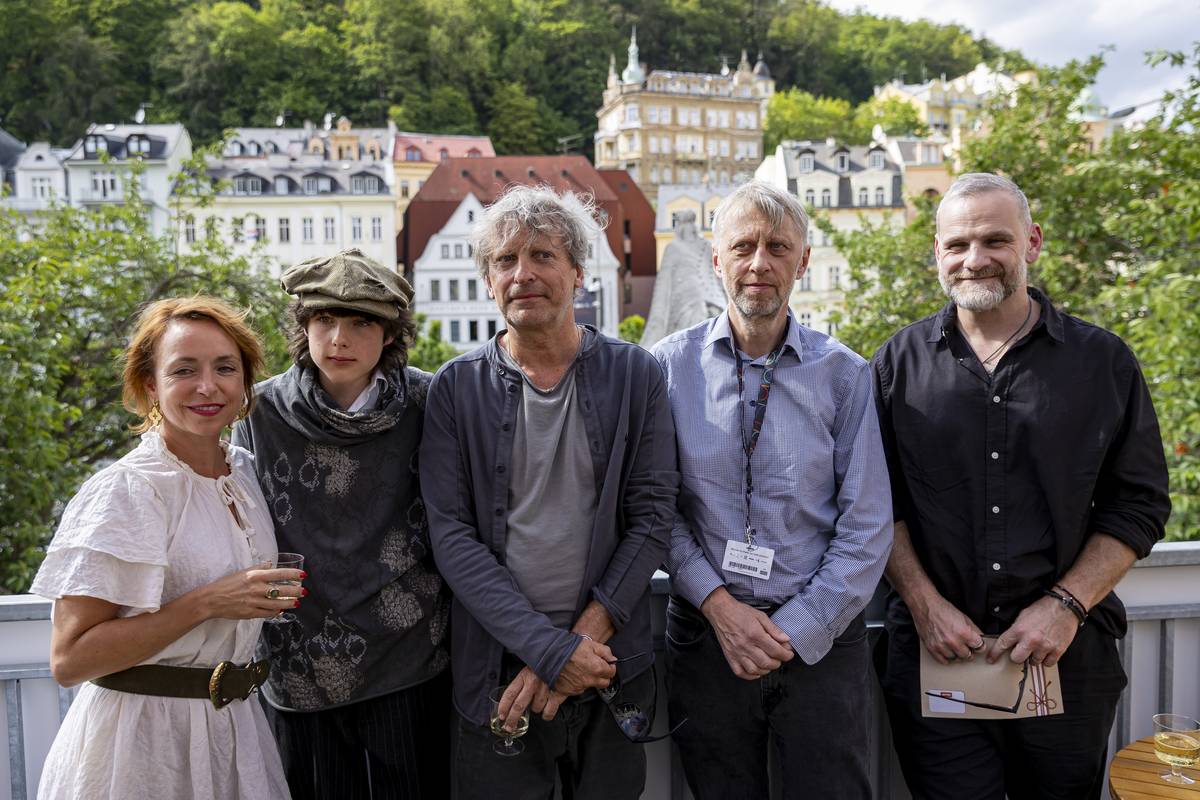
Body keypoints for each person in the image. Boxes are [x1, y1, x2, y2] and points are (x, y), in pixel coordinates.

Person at [872, 173, 1171, 799]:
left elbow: (1138, 504)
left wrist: (1065, 606)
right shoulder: (896, 365)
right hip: (938, 658)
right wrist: (925, 607)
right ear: (937, 252)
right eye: (957, 244)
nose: (974, 259)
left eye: (995, 240)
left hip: (1067, 659)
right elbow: (874, 504)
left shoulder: (1103, 362)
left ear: (1031, 242)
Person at [420, 185, 680, 800]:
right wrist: (548, 652)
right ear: (488, 281)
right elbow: (452, 539)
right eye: (505, 260)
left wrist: (576, 646)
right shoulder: (455, 389)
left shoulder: (635, 373)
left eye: (543, 256)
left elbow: (652, 517)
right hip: (498, 672)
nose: (523, 274)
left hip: (609, 666)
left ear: (578, 273)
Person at [650, 180, 893, 800]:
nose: (759, 262)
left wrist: (796, 628)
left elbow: (867, 525)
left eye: (778, 247)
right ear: (717, 259)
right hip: (707, 638)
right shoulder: (666, 368)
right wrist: (721, 609)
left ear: (802, 262)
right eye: (744, 246)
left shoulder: (845, 375)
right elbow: (655, 510)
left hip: (821, 645)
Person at [31, 296, 300, 800]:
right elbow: (70, 660)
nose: (208, 386)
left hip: (236, 736)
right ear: (150, 384)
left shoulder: (244, 473)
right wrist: (207, 603)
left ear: (245, 382)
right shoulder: (126, 490)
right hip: (139, 747)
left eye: (225, 368)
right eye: (184, 370)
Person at [231, 249, 451, 799]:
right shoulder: (259, 412)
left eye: (361, 323)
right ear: (304, 327)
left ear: (390, 332)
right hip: (297, 658)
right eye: (325, 319)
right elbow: (239, 527)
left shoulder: (430, 402)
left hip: (409, 658)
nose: (339, 339)